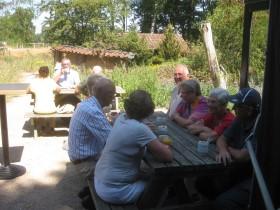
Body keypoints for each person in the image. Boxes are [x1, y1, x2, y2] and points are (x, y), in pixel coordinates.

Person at [94, 90, 172, 204]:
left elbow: (133, 135)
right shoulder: (139, 129)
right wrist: (165, 148)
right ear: (148, 111)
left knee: (149, 175)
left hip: (101, 182)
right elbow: (167, 156)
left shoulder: (121, 118)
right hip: (117, 191)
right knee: (162, 185)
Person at [212, 87, 261, 210]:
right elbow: (221, 139)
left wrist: (226, 148)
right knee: (203, 183)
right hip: (240, 172)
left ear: (249, 110)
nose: (233, 109)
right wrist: (223, 150)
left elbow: (242, 156)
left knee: (223, 202)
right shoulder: (239, 119)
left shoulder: (260, 126)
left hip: (256, 179)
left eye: (238, 106)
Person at [68, 75, 115, 177]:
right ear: (107, 96)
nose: (113, 99)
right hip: (86, 164)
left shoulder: (89, 104)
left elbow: (105, 130)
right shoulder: (92, 111)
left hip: (84, 158)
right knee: (131, 168)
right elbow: (113, 141)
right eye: (113, 95)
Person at [27, 66, 60, 134]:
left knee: (39, 110)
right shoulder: (51, 81)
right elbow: (58, 90)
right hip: (51, 109)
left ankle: (42, 128)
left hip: (38, 110)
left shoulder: (35, 82)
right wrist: (55, 93)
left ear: (39, 73)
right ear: (48, 73)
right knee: (52, 111)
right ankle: (51, 129)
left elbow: (28, 90)